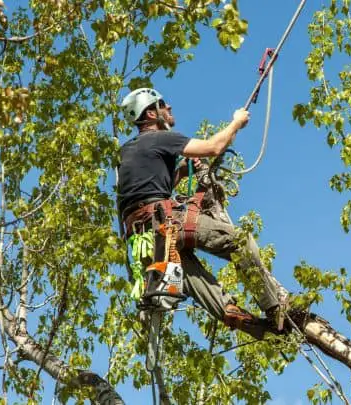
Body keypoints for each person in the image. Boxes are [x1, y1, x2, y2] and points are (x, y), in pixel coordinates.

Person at [117, 88, 289, 338]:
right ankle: (274, 307)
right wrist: (236, 123)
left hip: (143, 238)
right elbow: (213, 147)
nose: (170, 108)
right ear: (152, 113)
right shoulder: (160, 138)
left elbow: (148, 187)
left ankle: (232, 313)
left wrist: (184, 173)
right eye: (163, 104)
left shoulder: (127, 151)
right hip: (164, 221)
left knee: (195, 279)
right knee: (240, 242)